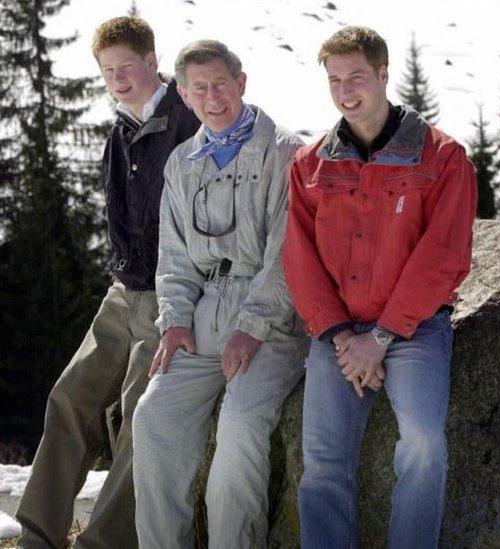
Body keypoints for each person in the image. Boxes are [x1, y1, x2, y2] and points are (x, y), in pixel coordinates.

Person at [283, 26, 477, 549]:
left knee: (421, 442)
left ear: (383, 75)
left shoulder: (443, 157)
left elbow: (443, 257)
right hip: (339, 335)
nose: (346, 91)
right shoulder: (309, 165)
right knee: (322, 461)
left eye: (357, 77)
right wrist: (343, 336)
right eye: (334, 80)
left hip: (415, 330)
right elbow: (298, 258)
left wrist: (383, 336)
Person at [16, 16, 199, 549]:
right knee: (69, 398)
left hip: (173, 297)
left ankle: (102, 544)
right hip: (123, 292)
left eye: (127, 66)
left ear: (151, 61)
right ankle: (37, 537)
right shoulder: (121, 129)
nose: (118, 78)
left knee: (141, 419)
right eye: (107, 70)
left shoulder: (188, 123)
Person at [132, 39, 307, 549]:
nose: (213, 97)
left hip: (271, 321)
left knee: (238, 430)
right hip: (204, 314)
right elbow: (175, 256)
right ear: (183, 95)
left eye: (221, 84)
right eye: (199, 88)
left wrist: (251, 329)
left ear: (242, 84)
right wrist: (175, 320)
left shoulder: (287, 154)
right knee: (153, 418)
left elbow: (286, 254)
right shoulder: (181, 162)